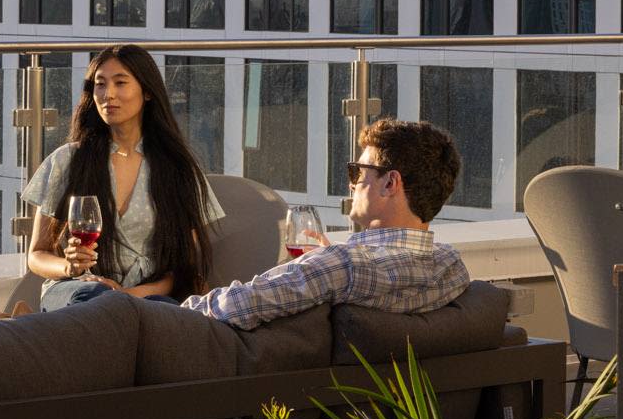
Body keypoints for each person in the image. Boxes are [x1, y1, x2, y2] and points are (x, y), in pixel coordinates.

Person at [183, 117, 469, 329]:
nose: (351, 184)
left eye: (358, 172)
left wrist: (324, 262)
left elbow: (232, 307)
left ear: (390, 183)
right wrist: (326, 259)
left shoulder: (341, 267)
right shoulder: (451, 266)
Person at [22, 46, 225, 311]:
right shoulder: (67, 160)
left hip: (143, 295)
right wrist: (70, 267)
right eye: (100, 84)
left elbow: (183, 267)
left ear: (147, 91)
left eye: (120, 83)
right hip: (77, 290)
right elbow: (37, 255)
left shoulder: (178, 168)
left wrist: (129, 295)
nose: (108, 94)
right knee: (96, 298)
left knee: (163, 311)